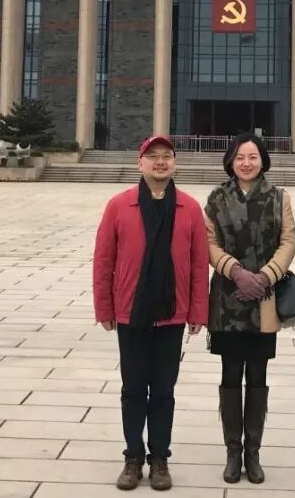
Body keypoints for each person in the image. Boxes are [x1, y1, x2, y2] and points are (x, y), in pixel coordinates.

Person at [93, 135, 209, 491]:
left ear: (175, 163)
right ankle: (133, 457)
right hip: (131, 312)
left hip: (172, 314)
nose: (160, 162)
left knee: (163, 390)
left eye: (167, 156)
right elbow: (104, 260)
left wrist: (198, 311)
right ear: (140, 163)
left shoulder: (190, 208)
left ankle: (159, 457)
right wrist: (104, 307)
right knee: (133, 388)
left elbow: (198, 264)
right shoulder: (119, 205)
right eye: (153, 156)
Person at [205, 133, 295, 485]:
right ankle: (233, 452)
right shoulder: (217, 198)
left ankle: (253, 453)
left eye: (253, 157)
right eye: (240, 157)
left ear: (262, 161)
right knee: (230, 375)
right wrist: (236, 273)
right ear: (231, 161)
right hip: (228, 300)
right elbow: (209, 241)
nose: (246, 163)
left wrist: (265, 276)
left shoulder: (278, 197)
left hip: (264, 299)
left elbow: (288, 240)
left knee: (258, 375)